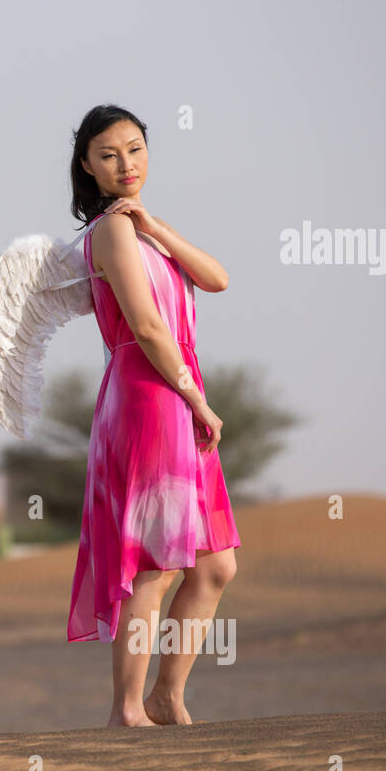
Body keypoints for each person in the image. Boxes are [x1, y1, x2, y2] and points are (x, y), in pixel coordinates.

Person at [66, 104, 241, 727]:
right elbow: (144, 326)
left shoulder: (140, 226)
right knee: (156, 564)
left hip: (177, 390)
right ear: (87, 166)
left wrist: (157, 229)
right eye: (109, 155)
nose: (125, 164)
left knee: (216, 563)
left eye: (135, 149)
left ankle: (167, 695)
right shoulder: (109, 232)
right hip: (148, 397)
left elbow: (216, 278)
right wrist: (196, 398)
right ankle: (127, 708)